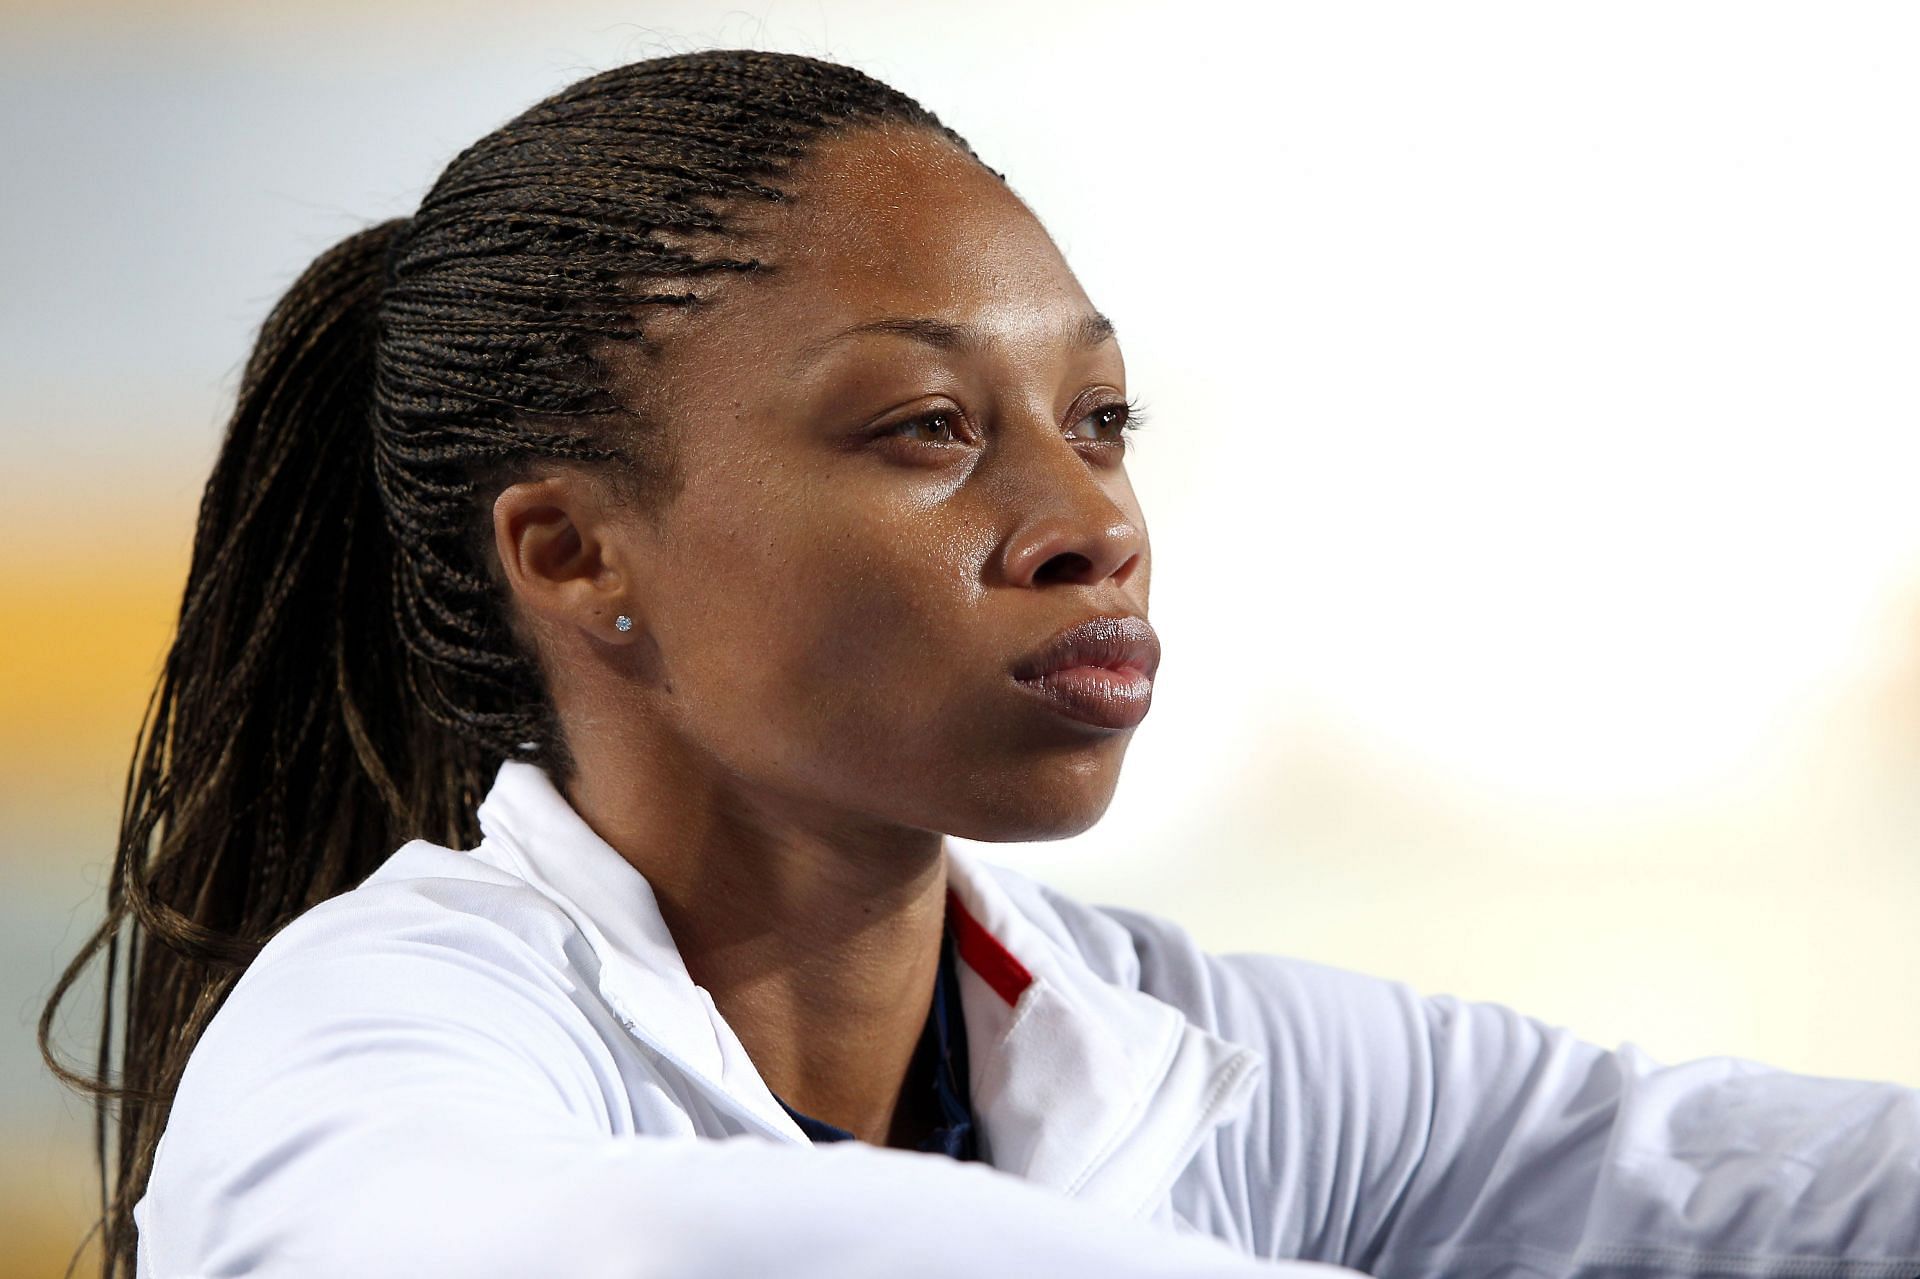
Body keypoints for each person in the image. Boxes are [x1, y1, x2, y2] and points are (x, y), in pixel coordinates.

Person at [38, 47, 1920, 1279]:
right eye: (927, 428)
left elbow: (1739, 1183)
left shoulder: (1201, 1054)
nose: (1086, 519)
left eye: (1101, 417)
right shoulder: (382, 1032)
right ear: (574, 553)